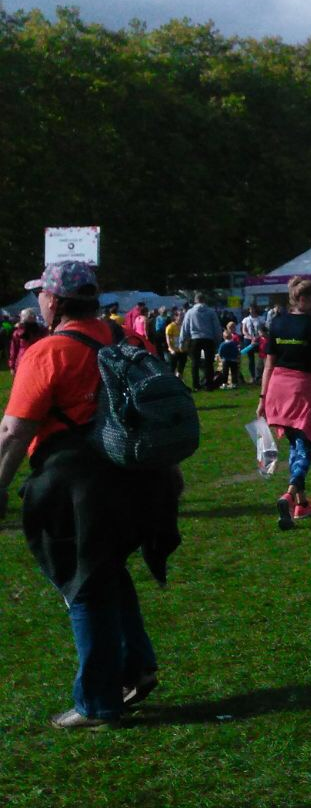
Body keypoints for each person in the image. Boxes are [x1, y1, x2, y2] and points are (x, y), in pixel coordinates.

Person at [0, 262, 181, 727]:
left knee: (83, 586)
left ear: (55, 302)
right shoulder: (128, 340)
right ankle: (135, 666)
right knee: (109, 572)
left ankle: (98, 702)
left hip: (78, 485)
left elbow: (14, 432)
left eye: (41, 293)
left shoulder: (49, 351)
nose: (37, 300)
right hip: (139, 477)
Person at [258, 276, 311, 526]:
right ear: (302, 299)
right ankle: (290, 494)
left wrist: (263, 397)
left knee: (295, 441)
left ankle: (302, 505)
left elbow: (268, 363)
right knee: (307, 443)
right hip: (302, 387)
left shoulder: (278, 323)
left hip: (277, 387)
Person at [179, 293, 223, 392]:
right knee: (209, 363)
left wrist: (182, 341)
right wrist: (218, 340)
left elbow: (185, 327)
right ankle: (209, 384)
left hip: (195, 339)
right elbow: (217, 327)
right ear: (204, 300)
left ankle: (196, 385)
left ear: (195, 300)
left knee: (195, 363)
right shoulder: (211, 312)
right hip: (208, 339)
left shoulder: (190, 312)